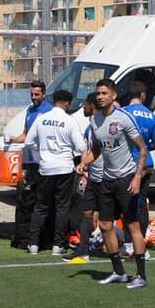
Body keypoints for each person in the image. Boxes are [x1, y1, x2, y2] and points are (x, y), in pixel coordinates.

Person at [76, 78, 149, 289]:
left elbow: (142, 150)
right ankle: (119, 272)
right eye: (98, 93)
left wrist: (137, 177)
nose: (100, 97)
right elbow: (98, 150)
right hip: (106, 181)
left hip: (126, 178)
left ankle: (141, 275)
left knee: (132, 225)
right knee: (105, 225)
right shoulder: (95, 120)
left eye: (104, 93)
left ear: (113, 96)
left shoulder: (124, 118)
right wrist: (84, 163)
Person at [24, 90, 85, 255]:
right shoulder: (70, 121)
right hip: (65, 168)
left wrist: (41, 152)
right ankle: (58, 245)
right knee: (62, 207)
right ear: (67, 103)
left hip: (45, 168)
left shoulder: (41, 118)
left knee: (41, 206)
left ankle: (34, 244)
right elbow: (81, 147)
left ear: (53, 101)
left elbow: (28, 142)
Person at [9, 80, 53, 251]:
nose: (33, 98)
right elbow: (26, 135)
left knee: (42, 201)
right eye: (31, 94)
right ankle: (25, 237)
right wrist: (12, 140)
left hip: (43, 162)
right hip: (30, 162)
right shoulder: (30, 110)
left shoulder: (48, 111)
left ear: (43, 94)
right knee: (27, 199)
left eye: (37, 95)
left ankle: (42, 238)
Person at [121, 80, 155, 259]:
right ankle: (141, 244)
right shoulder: (151, 116)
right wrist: (144, 147)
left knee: (126, 203)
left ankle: (129, 244)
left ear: (129, 95)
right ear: (143, 95)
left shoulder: (121, 114)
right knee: (142, 204)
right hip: (146, 164)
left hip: (127, 164)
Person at [63, 93, 102, 263]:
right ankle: (83, 251)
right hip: (93, 176)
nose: (83, 108)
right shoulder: (91, 125)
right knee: (87, 211)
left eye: (85, 104)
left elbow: (100, 150)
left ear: (92, 105)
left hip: (107, 177)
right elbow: (88, 148)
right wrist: (85, 165)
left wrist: (85, 164)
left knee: (114, 216)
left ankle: (131, 248)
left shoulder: (102, 124)